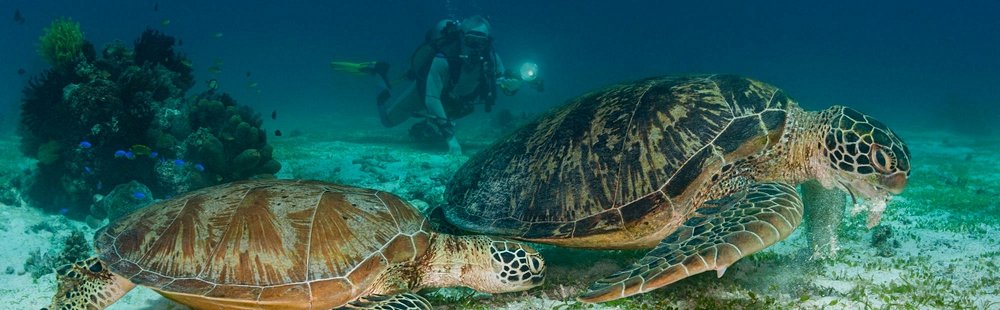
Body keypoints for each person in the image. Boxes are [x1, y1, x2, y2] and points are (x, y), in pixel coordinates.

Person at [333, 16, 532, 155]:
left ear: (488, 42)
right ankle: (378, 74)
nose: (476, 48)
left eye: (481, 42)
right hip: (423, 94)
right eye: (471, 41)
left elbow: (501, 83)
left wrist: (513, 85)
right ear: (462, 38)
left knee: (435, 128)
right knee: (387, 121)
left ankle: (431, 125)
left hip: (455, 103)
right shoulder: (443, 59)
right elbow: (431, 98)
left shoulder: (490, 58)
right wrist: (451, 139)